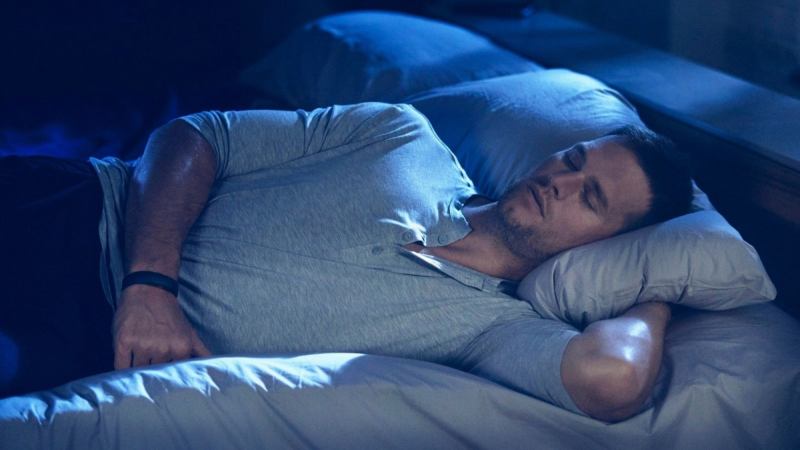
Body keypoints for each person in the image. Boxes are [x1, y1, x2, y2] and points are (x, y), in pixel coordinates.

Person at [0, 102, 692, 422]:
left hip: (88, 339)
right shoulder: (403, 135)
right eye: (572, 160)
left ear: (608, 245)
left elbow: (611, 379)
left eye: (590, 199)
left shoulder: (493, 329)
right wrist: (150, 283)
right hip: (81, 205)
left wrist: (656, 286)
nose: (560, 182)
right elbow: (194, 134)